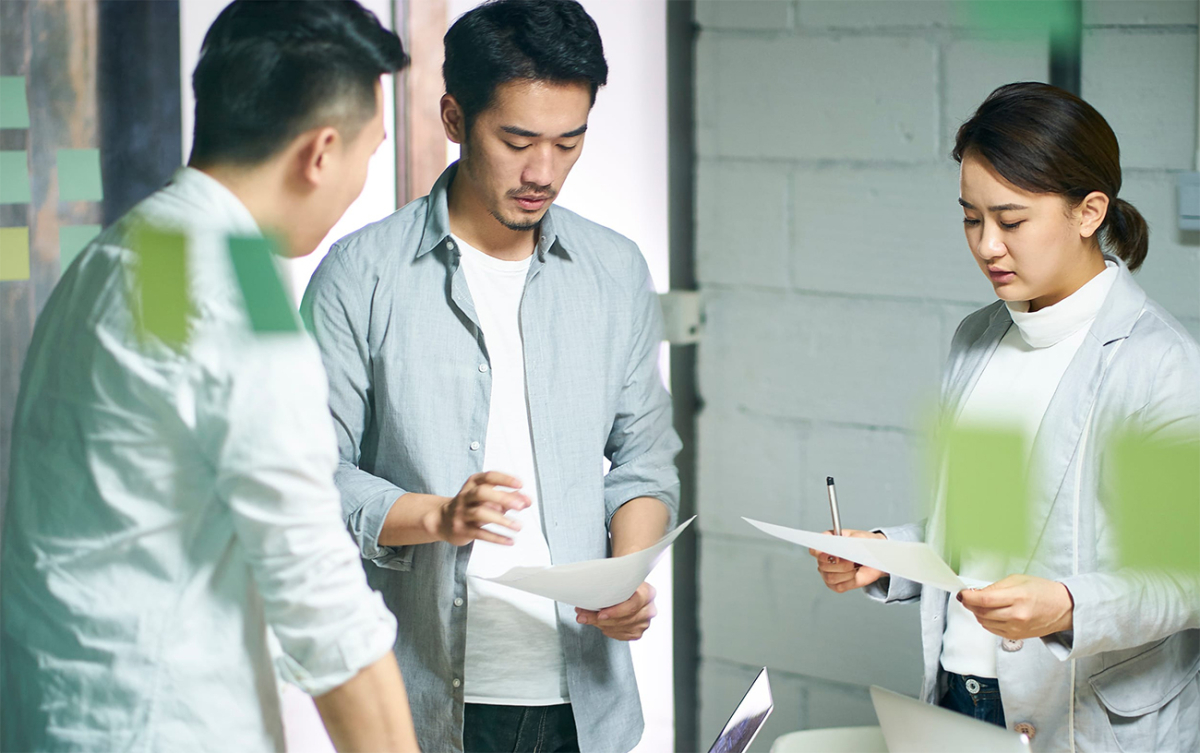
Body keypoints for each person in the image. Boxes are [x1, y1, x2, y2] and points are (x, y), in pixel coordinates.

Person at [0, 3, 419, 751]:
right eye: (370, 152)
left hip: (62, 711)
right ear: (321, 152)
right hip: (164, 725)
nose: (361, 179)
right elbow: (317, 591)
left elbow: (180, 434)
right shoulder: (234, 289)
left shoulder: (140, 245)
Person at [301, 1, 681, 751]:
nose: (543, 172)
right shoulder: (359, 275)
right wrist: (438, 516)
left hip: (588, 701)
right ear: (454, 117)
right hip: (425, 701)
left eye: (569, 142)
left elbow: (644, 459)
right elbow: (309, 476)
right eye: (517, 141)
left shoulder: (615, 270)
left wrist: (624, 581)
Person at [809, 82, 1199, 751]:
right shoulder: (978, 339)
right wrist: (885, 555)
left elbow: (1182, 577)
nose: (988, 245)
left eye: (1011, 221)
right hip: (959, 692)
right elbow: (988, 531)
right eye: (971, 218)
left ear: (1089, 212)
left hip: (1084, 718)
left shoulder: (1158, 364)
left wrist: (1068, 605)